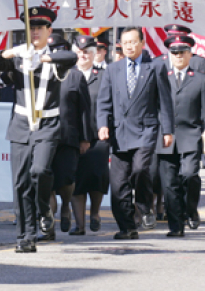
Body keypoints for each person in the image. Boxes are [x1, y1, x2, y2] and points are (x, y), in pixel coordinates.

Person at [0, 7, 77, 253]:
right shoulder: (18, 57)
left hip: (47, 125)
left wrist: (43, 58)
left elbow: (71, 58)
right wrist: (14, 51)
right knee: (21, 182)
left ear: (49, 30)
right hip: (21, 125)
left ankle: (44, 207)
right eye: (31, 27)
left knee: (39, 170)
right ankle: (26, 235)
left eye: (40, 27)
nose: (35, 31)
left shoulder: (55, 57)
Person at [96, 26, 174, 240]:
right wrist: (102, 124)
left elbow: (164, 102)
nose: (129, 46)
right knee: (119, 184)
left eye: (133, 42)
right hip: (119, 133)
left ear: (142, 43)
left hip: (145, 129)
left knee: (140, 170)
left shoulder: (156, 67)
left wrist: (168, 130)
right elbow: (103, 102)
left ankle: (144, 205)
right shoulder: (113, 69)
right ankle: (127, 226)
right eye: (125, 42)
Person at [157, 34, 205, 237]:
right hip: (165, 137)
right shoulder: (160, 77)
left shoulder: (199, 78)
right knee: (169, 183)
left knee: (190, 175)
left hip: (190, 135)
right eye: (174, 52)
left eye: (182, 52)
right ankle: (176, 226)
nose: (178, 56)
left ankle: (190, 209)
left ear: (190, 54)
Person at [43, 33, 92, 240]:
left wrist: (84, 138)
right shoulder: (41, 72)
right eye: (52, 50)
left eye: (60, 50)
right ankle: (49, 226)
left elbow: (84, 109)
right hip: (45, 135)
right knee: (46, 180)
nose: (56, 54)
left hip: (68, 137)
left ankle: (66, 206)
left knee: (66, 179)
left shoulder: (75, 76)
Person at [70, 35, 108, 236]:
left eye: (87, 52)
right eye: (80, 52)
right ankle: (79, 224)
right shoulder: (67, 75)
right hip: (73, 137)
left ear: (94, 55)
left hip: (97, 136)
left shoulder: (103, 76)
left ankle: (94, 214)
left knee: (96, 178)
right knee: (75, 181)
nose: (83, 55)